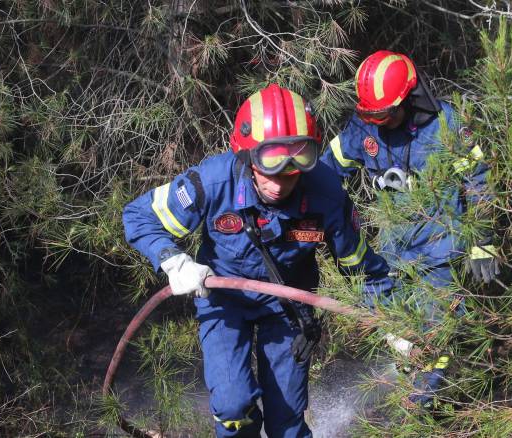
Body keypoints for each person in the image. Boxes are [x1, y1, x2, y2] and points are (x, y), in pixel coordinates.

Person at [123, 84, 394, 437]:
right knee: (235, 409)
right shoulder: (214, 181)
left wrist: (392, 321)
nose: (281, 183)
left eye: (293, 168)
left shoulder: (325, 193)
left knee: (287, 422)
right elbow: (139, 216)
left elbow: (360, 265)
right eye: (270, 167)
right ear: (248, 155)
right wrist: (174, 262)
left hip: (289, 306)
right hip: (224, 303)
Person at [320, 50, 500, 407]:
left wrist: (483, 239)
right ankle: (404, 401)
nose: (377, 121)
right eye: (370, 113)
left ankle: (419, 412)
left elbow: (478, 180)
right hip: (389, 257)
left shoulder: (446, 125)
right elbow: (326, 172)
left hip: (440, 255)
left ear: (407, 99)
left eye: (384, 113)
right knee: (399, 338)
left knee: (436, 342)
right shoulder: (363, 127)